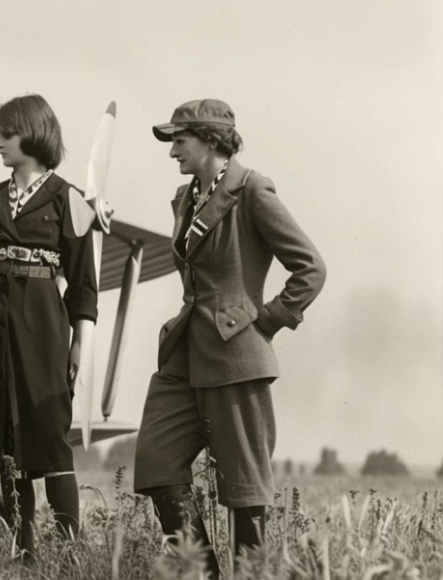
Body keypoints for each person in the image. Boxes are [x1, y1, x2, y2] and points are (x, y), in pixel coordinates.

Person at [135, 100, 326, 577]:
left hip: (237, 354)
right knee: (157, 464)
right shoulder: (186, 197)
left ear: (212, 141)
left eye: (180, 139)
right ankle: (204, 573)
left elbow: (310, 268)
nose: (172, 149)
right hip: (185, 355)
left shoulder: (251, 190)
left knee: (243, 488)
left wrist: (266, 322)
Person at [0, 94, 99, 562]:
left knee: (50, 431)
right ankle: (25, 550)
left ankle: (73, 550)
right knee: (6, 435)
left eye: (6, 134)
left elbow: (82, 283)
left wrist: (80, 345)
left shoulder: (69, 198)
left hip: (44, 325)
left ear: (33, 135)